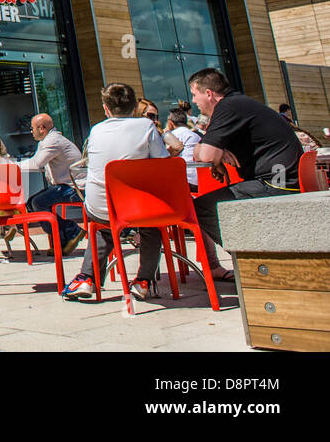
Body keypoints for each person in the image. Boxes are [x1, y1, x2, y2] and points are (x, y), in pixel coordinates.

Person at [188, 68, 303, 281]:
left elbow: (203, 154)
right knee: (219, 203)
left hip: (277, 184)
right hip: (286, 180)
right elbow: (205, 152)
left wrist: (216, 153)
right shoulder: (239, 103)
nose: (194, 101)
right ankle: (255, 257)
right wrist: (219, 152)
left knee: (203, 207)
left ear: (209, 94)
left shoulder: (227, 108)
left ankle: (251, 259)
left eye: (195, 94)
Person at [62, 82, 169, 301]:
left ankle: (86, 278)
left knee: (104, 228)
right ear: (134, 107)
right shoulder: (146, 127)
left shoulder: (96, 130)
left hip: (101, 205)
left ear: (106, 109)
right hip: (137, 208)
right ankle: (143, 281)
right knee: (151, 227)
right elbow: (164, 166)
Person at [18, 114, 87, 256]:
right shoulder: (51, 140)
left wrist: (11, 166)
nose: (31, 131)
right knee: (32, 203)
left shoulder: (52, 141)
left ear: (41, 128)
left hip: (75, 189)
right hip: (67, 185)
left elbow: (36, 164)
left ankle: (71, 231)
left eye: (32, 128)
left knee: (37, 203)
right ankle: (63, 240)